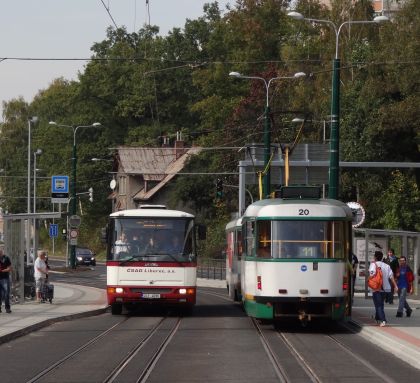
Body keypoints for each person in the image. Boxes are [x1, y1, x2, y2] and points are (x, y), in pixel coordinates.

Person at [369, 251, 398, 327]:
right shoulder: (387, 266)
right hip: (386, 289)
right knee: (380, 304)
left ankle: (383, 320)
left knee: (378, 306)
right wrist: (395, 286)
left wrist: (368, 280)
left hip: (377, 288)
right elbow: (391, 277)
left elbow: (371, 274)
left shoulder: (373, 264)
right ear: (382, 257)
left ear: (375, 257)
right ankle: (377, 318)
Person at [0, 248, 12, 313]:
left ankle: (7, 307)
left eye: (0, 252)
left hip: (5, 278)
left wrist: (2, 271)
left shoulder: (6, 258)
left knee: (6, 293)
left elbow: (9, 268)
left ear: (2, 252)